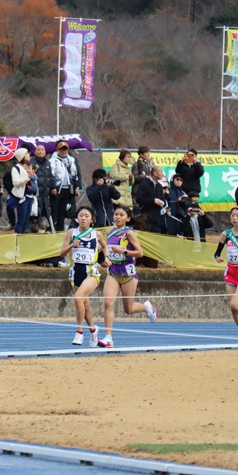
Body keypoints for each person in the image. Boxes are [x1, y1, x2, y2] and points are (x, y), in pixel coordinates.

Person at [100, 206, 157, 348]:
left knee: (129, 309)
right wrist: (104, 259)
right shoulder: (109, 232)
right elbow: (107, 252)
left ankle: (146, 307)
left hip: (128, 274)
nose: (117, 217)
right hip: (113, 272)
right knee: (108, 303)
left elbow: (140, 253)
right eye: (116, 214)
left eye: (121, 215)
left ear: (128, 218)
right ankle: (108, 337)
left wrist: (124, 251)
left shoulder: (129, 233)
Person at [58, 206, 109, 347]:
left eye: (87, 216)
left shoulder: (96, 234)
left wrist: (106, 258)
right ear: (77, 218)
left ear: (92, 219)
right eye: (81, 215)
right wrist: (72, 246)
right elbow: (61, 253)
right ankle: (93, 329)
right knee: (84, 303)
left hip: (91, 272)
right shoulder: (71, 232)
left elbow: (105, 246)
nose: (83, 218)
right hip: (76, 272)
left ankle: (79, 332)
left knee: (78, 298)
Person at [213, 206, 238, 344]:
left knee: (235, 304)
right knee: (233, 308)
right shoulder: (226, 234)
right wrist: (217, 258)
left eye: (237, 216)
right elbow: (217, 253)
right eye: (232, 215)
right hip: (231, 273)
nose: (234, 218)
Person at [49, 140, 82, 231]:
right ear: (57, 149)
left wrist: (77, 186)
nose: (63, 151)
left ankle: (61, 230)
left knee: (65, 212)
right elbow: (50, 175)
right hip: (57, 189)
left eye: (65, 149)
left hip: (69, 190)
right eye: (61, 149)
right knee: (55, 211)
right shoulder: (52, 161)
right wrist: (53, 187)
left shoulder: (72, 160)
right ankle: (53, 231)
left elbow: (77, 174)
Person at [8, 148, 35, 234]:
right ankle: (17, 240)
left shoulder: (27, 167)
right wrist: (27, 177)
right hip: (22, 197)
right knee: (21, 220)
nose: (29, 155)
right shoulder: (16, 168)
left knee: (26, 220)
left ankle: (23, 241)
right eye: (26, 154)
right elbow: (16, 182)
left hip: (30, 196)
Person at [134, 166, 166, 233]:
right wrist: (153, 200)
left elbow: (162, 199)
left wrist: (163, 202)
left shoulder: (159, 186)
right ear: (155, 173)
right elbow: (139, 199)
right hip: (146, 218)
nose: (162, 174)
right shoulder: (144, 183)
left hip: (156, 219)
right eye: (160, 172)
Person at [30, 145, 53, 223]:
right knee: (34, 216)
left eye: (42, 150)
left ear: (45, 152)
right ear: (35, 152)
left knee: (46, 217)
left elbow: (51, 176)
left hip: (46, 195)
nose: (40, 151)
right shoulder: (31, 162)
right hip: (36, 194)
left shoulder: (48, 163)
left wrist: (53, 187)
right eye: (38, 150)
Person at [131, 146, 154, 212]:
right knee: (138, 211)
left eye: (149, 152)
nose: (148, 154)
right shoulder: (136, 164)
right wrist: (144, 177)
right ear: (141, 154)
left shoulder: (150, 163)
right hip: (138, 190)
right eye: (146, 153)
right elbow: (134, 177)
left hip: (148, 190)